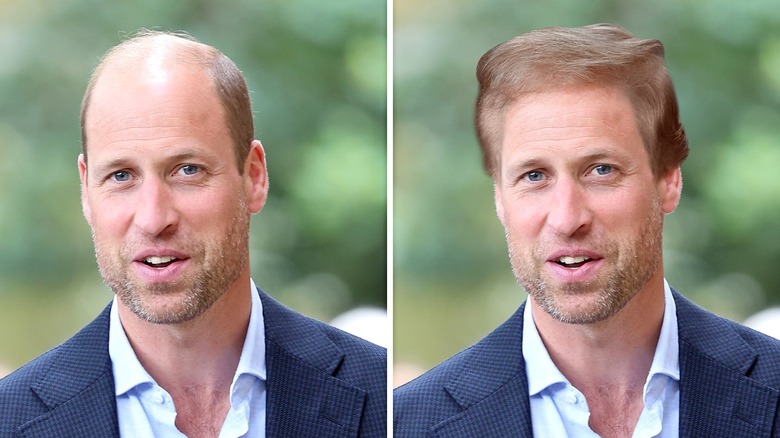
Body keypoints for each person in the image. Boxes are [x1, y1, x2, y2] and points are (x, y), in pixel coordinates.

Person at [394, 24, 780, 437]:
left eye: (601, 170)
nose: (566, 218)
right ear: (500, 199)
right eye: (534, 176)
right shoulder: (408, 423)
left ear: (668, 180)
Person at [0, 30, 386, 437]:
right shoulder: (9, 419)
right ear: (86, 191)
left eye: (188, 170)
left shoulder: (382, 401)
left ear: (254, 177)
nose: (153, 218)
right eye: (121, 175)